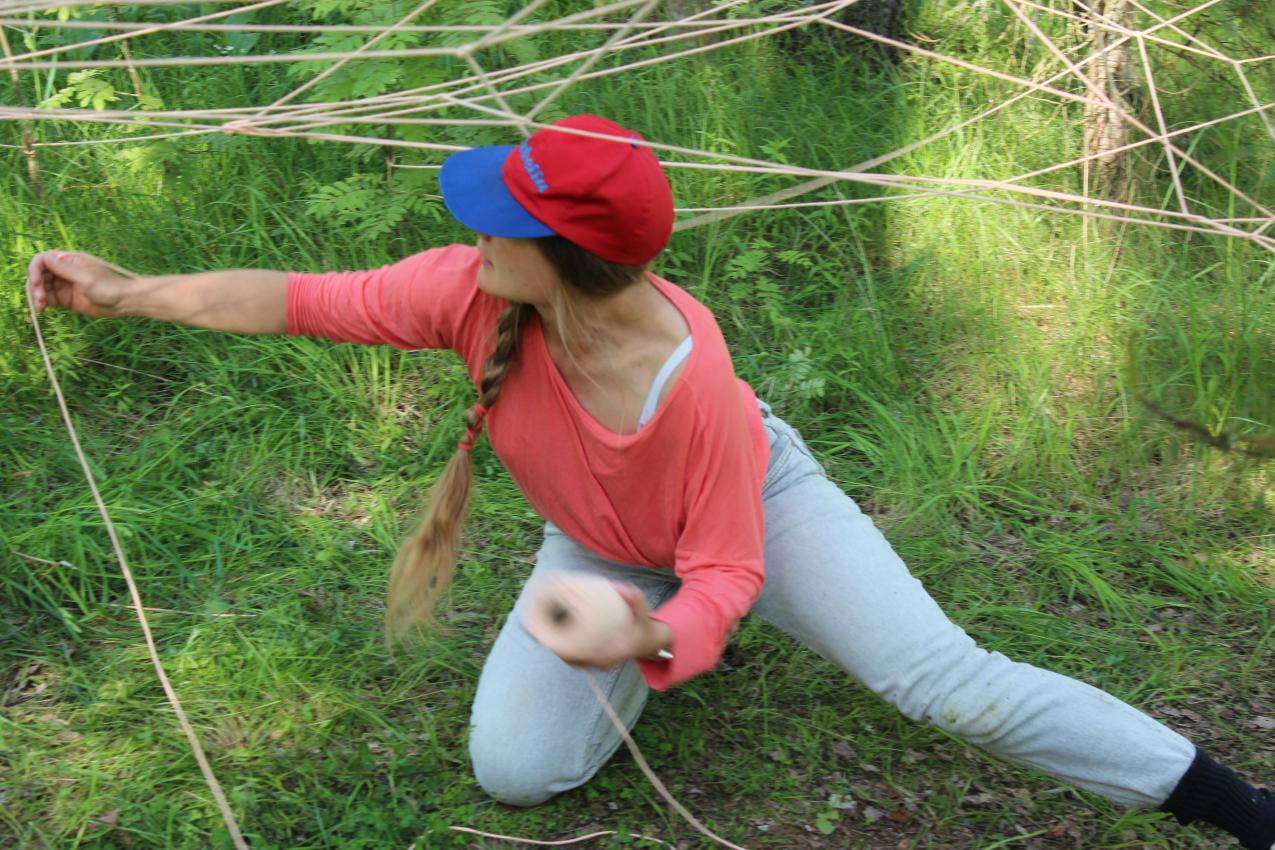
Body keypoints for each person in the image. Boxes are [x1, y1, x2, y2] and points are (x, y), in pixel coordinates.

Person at [27, 114, 1274, 849]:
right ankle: (655, 662)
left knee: (947, 686)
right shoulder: (474, 296)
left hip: (748, 512)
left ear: (562, 260)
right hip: (607, 547)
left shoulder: (698, 381)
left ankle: (1239, 805)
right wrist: (127, 289)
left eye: (498, 221)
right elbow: (299, 299)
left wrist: (659, 627)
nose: (473, 236)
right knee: (514, 772)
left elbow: (727, 561)